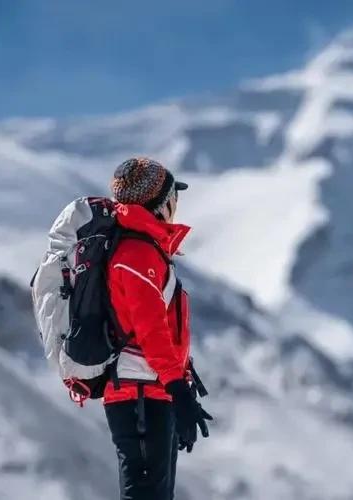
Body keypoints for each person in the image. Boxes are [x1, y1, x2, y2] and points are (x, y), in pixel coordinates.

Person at [104, 157, 213, 500]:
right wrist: (179, 392)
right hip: (139, 393)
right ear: (162, 205)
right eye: (174, 197)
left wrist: (179, 390)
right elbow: (151, 330)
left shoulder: (144, 250)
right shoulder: (137, 255)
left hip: (149, 390)